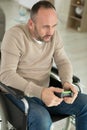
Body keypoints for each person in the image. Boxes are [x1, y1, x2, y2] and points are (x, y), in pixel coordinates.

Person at [0, 1, 87, 130]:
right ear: (31, 24)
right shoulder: (15, 36)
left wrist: (67, 82)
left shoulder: (53, 35)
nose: (51, 32)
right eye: (45, 26)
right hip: (19, 95)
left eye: (54, 26)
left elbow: (63, 61)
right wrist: (40, 92)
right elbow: (6, 75)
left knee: (85, 104)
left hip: (47, 91)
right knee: (42, 120)